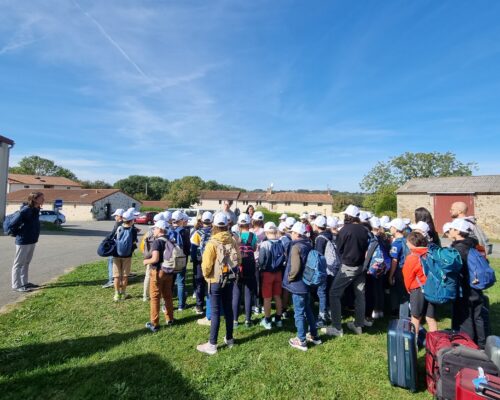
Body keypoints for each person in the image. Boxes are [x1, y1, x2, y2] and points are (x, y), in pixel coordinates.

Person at [197, 213, 241, 355]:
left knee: (215, 312)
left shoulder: (212, 243)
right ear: (227, 225)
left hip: (215, 281)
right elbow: (239, 259)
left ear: (214, 226)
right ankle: (229, 338)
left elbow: (206, 265)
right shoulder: (233, 240)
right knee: (228, 309)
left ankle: (212, 344)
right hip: (229, 279)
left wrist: (207, 276)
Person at [322, 205, 370, 337]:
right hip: (361, 266)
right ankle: (358, 325)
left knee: (334, 293)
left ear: (347, 216)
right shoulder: (365, 230)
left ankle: (337, 327)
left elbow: (339, 249)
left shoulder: (344, 230)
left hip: (348, 266)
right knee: (360, 294)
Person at [449, 218, 488, 348]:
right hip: (476, 285)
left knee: (465, 317)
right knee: (478, 316)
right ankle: (482, 343)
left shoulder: (459, 249)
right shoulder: (474, 244)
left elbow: (455, 269)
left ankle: (468, 344)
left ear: (457, 231)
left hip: (465, 287)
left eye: (451, 229)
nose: (449, 231)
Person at [283, 222, 321, 351]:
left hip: (298, 284)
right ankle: (314, 335)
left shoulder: (296, 247)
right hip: (306, 282)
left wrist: (290, 278)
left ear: (295, 233)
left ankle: (301, 340)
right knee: (308, 309)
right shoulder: (309, 244)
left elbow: (295, 268)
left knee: (298, 313)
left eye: (292, 232)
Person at [402, 231, 438, 338]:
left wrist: (408, 289)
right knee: (430, 317)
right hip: (431, 288)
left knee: (415, 317)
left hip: (418, 289)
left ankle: (413, 346)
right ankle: (435, 344)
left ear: (412, 242)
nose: (407, 244)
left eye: (407, 242)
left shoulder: (412, 257)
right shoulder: (430, 253)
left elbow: (407, 276)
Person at [143, 220, 175, 332]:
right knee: (168, 296)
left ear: (160, 229)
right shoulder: (170, 240)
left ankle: (154, 323)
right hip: (169, 272)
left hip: (157, 272)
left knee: (155, 297)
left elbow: (155, 259)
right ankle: (170, 318)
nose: (154, 230)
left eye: (155, 228)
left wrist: (146, 261)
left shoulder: (157, 242)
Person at [11, 191, 44, 292]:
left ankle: (24, 283)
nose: (43, 200)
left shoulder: (36, 209)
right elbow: (13, 223)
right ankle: (16, 285)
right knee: (18, 264)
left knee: (26, 263)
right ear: (34, 199)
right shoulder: (26, 210)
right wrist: (19, 233)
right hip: (23, 240)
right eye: (41, 198)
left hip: (32, 240)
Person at [258, 222, 285, 329]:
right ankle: (278, 319)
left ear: (266, 232)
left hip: (267, 274)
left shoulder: (265, 244)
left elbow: (261, 260)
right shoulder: (281, 242)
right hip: (278, 273)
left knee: (267, 298)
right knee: (278, 296)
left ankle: (267, 320)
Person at [232, 213, 257, 327]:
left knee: (236, 292)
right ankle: (247, 320)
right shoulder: (253, 235)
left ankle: (235, 320)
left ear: (239, 224)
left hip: (238, 267)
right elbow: (255, 248)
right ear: (249, 223)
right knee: (248, 292)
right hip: (250, 267)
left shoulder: (235, 235)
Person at [364, 217, 391, 321]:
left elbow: (369, 254)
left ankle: (375, 310)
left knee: (373, 290)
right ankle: (380, 310)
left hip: (373, 268)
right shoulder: (383, 238)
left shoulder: (373, 239)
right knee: (379, 288)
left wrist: (365, 266)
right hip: (382, 267)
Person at [111, 209, 138, 301]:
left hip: (116, 254)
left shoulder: (118, 227)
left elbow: (113, 238)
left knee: (116, 275)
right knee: (125, 275)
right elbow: (134, 243)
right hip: (127, 255)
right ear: (131, 220)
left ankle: (116, 294)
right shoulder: (133, 230)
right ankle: (123, 293)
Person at [190, 211, 213, 315]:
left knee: (200, 283)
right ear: (212, 221)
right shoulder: (215, 233)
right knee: (211, 283)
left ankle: (199, 306)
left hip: (201, 261)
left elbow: (194, 249)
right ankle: (211, 305)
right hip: (213, 261)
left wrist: (195, 261)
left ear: (202, 221)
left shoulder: (197, 233)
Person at [311, 215, 332, 328]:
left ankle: (322, 317)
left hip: (324, 268)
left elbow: (318, 256)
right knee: (327, 291)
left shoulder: (320, 238)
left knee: (321, 292)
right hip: (332, 269)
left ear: (317, 225)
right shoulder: (330, 235)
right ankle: (328, 312)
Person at [387, 218, 410, 317]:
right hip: (407, 270)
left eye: (391, 227)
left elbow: (394, 260)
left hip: (399, 271)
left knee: (400, 294)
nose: (390, 228)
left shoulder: (397, 243)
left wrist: (391, 275)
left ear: (396, 229)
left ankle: (402, 316)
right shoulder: (407, 240)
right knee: (405, 293)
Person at [141, 212, 165, 301]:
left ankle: (145, 295)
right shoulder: (162, 232)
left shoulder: (148, 232)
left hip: (149, 257)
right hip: (159, 259)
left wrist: (146, 255)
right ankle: (158, 295)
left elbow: (142, 245)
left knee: (148, 276)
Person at [170, 211, 191, 311]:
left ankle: (167, 305)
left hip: (169, 259)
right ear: (181, 220)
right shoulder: (184, 231)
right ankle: (181, 305)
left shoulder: (168, 230)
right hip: (181, 259)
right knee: (181, 282)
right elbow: (187, 248)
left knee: (170, 281)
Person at [102, 208, 124, 289]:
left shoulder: (118, 224)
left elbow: (112, 235)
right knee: (120, 263)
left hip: (116, 247)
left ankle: (112, 280)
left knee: (111, 262)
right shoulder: (125, 223)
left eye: (115, 215)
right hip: (122, 248)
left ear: (119, 216)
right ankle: (120, 279)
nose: (115, 217)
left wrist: (105, 241)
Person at [251, 211, 266, 314]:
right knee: (262, 283)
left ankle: (256, 305)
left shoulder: (250, 232)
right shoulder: (265, 231)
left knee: (255, 283)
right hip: (263, 260)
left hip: (252, 260)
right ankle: (262, 303)